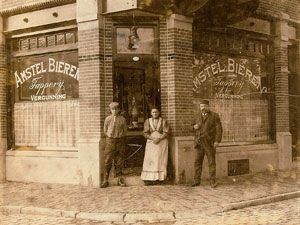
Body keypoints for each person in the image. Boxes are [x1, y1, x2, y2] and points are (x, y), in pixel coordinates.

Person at [192, 100, 222, 188]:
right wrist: (194, 127)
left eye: (205, 106)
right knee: (197, 162)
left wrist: (217, 141)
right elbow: (190, 127)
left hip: (209, 143)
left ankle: (212, 182)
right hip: (199, 143)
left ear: (208, 106)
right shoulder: (197, 116)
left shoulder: (214, 116)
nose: (203, 108)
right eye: (201, 106)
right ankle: (196, 181)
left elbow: (219, 129)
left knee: (211, 163)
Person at [101, 102, 127, 188]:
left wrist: (120, 136)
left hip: (120, 141)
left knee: (119, 161)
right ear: (110, 110)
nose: (114, 111)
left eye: (116, 109)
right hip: (110, 141)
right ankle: (105, 180)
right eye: (113, 109)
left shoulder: (122, 119)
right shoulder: (108, 119)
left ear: (119, 110)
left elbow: (125, 131)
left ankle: (119, 180)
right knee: (107, 160)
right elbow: (105, 130)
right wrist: (109, 136)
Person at [141, 107, 169, 185]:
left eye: (156, 112)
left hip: (161, 142)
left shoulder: (163, 121)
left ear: (159, 113)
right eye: (153, 112)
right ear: (151, 113)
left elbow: (166, 132)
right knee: (150, 160)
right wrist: (153, 138)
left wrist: (159, 138)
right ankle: (149, 179)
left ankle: (160, 178)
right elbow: (145, 133)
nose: (155, 114)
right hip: (152, 142)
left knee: (160, 159)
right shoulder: (147, 121)